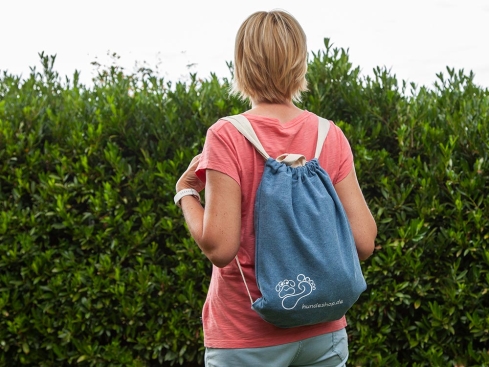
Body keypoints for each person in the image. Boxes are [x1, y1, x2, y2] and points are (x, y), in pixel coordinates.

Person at [174, 9, 377, 367]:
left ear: (241, 64)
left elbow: (220, 248)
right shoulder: (330, 135)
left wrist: (185, 193)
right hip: (324, 331)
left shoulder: (226, 135)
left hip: (246, 336)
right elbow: (364, 242)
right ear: (300, 63)